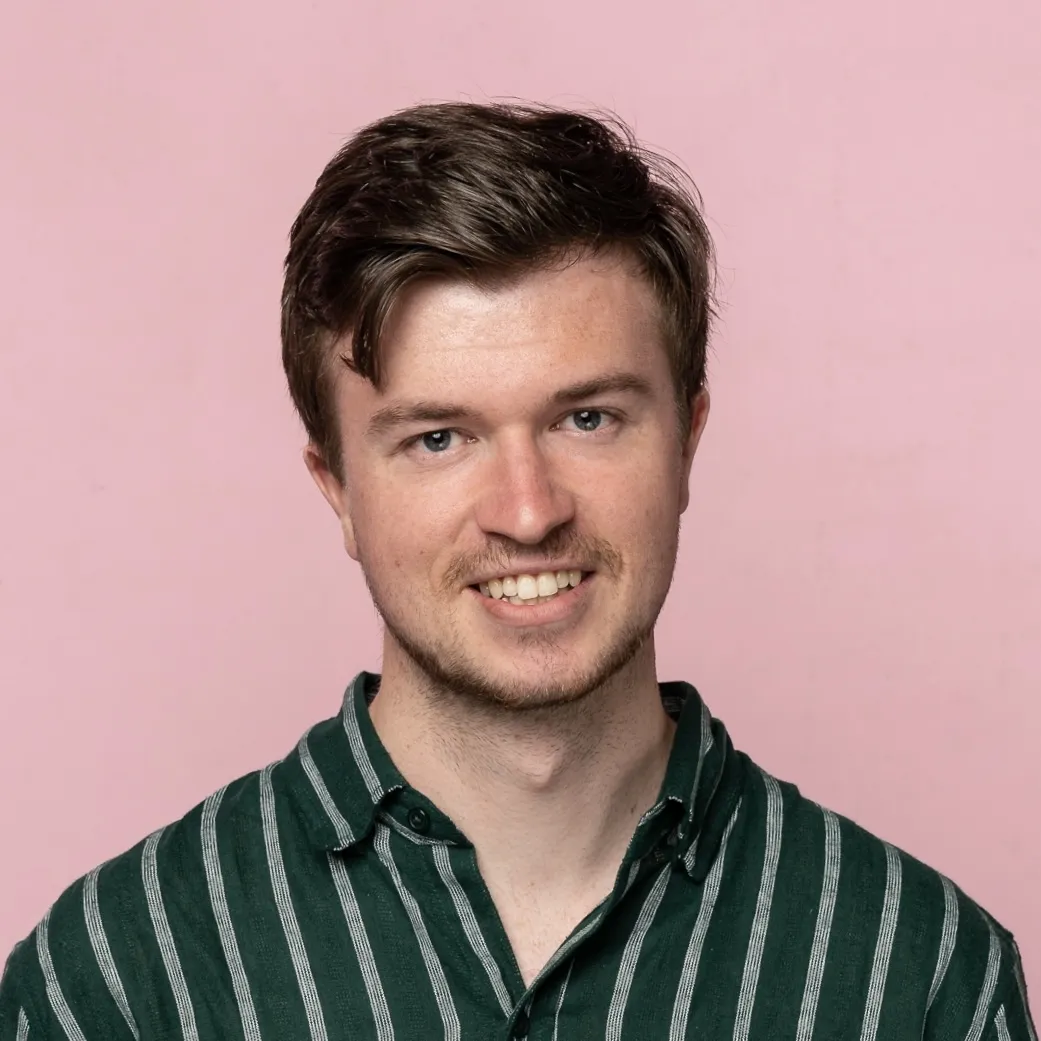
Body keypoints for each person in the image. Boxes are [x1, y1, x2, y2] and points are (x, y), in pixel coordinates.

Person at [0, 101, 1034, 1041]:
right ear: (336, 488)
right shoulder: (119, 982)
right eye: (438, 439)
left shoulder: (920, 978)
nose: (528, 511)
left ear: (687, 442)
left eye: (588, 419)